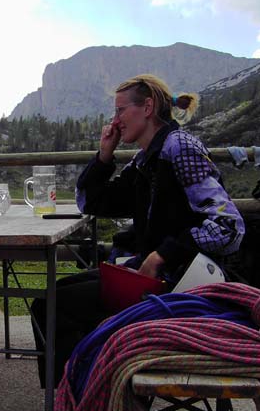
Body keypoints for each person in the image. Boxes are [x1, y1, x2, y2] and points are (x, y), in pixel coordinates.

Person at [31, 74, 245, 389]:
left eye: (120, 110)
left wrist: (163, 254)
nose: (115, 120)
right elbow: (91, 201)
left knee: (53, 308)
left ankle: (82, 406)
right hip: (150, 277)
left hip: (182, 286)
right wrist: (105, 155)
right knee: (48, 301)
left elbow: (229, 226)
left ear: (147, 107)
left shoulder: (179, 148)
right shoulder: (146, 159)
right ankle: (79, 401)